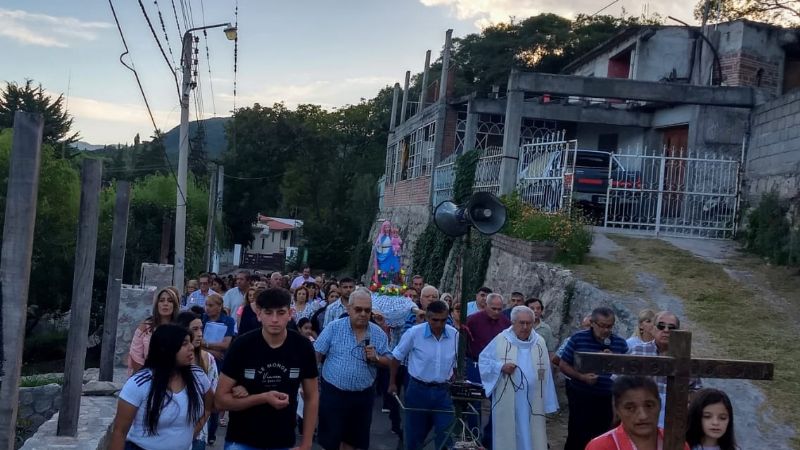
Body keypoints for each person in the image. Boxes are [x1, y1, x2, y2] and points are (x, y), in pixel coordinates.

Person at [215, 288, 319, 450]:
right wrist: (263, 398)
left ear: (290, 313)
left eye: (281, 312)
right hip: (242, 439)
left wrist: (306, 443)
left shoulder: (303, 347)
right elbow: (220, 400)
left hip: (282, 439)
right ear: (258, 314)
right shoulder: (242, 345)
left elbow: (312, 396)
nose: (275, 319)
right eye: (268, 313)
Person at [110, 324, 213, 450]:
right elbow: (119, 432)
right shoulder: (140, 383)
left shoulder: (198, 376)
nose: (191, 347)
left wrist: (191, 434)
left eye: (190, 342)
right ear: (166, 348)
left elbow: (209, 407)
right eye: (184, 343)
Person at [314, 287, 392, 450]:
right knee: (330, 439)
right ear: (349, 309)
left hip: (362, 396)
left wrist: (376, 358)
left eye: (367, 310)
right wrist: (312, 382)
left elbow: (389, 360)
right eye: (358, 309)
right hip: (334, 393)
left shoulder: (378, 333)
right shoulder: (334, 328)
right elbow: (317, 353)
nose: (363, 314)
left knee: (354, 440)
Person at [479, 306, 558, 450]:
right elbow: (483, 361)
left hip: (534, 398)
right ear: (513, 322)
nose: (525, 327)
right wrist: (500, 367)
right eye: (521, 323)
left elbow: (545, 373)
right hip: (509, 397)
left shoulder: (539, 342)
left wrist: (548, 401)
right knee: (509, 433)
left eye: (529, 323)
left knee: (532, 434)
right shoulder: (502, 339)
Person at [389, 300, 458, 450]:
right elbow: (396, 357)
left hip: (443, 392)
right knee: (414, 435)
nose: (439, 324)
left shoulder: (454, 335)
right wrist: (392, 382)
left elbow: (456, 361)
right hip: (418, 390)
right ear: (427, 317)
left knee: (446, 435)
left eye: (443, 320)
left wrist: (455, 379)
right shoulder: (414, 333)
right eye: (435, 320)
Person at [559, 306, 628, 450]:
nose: (606, 330)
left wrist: (614, 361)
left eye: (610, 326)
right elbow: (563, 364)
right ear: (593, 323)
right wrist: (581, 377)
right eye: (602, 326)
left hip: (607, 399)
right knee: (577, 435)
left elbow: (626, 373)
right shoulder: (578, 338)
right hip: (581, 396)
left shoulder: (620, 343)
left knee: (604, 436)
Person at [629, 310, 702, 427]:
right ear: (653, 329)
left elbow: (696, 391)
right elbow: (621, 383)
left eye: (671, 327)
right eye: (661, 326)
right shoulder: (637, 351)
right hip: (640, 415)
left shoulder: (687, 359)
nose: (666, 330)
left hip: (674, 421)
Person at [585, 376, 690, 450]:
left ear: (659, 405)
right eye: (630, 408)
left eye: (649, 405)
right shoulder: (600, 446)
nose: (643, 416)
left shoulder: (677, 444)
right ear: (617, 410)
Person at [176, 312, 219, 450]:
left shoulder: (208, 359)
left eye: (201, 328)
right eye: (195, 329)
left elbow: (212, 400)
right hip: (171, 431)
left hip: (198, 432)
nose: (200, 334)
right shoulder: (169, 360)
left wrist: (196, 430)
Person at [128, 287, 180, 375]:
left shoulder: (180, 328)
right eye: (162, 300)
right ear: (157, 304)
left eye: (170, 301)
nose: (165, 304)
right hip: (146, 375)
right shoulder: (145, 327)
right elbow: (135, 356)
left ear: (175, 305)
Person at [465, 293, 511, 383]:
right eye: (493, 309)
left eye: (499, 309)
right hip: (476, 364)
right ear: (486, 305)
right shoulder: (472, 320)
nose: (496, 312)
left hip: (497, 366)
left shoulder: (506, 323)